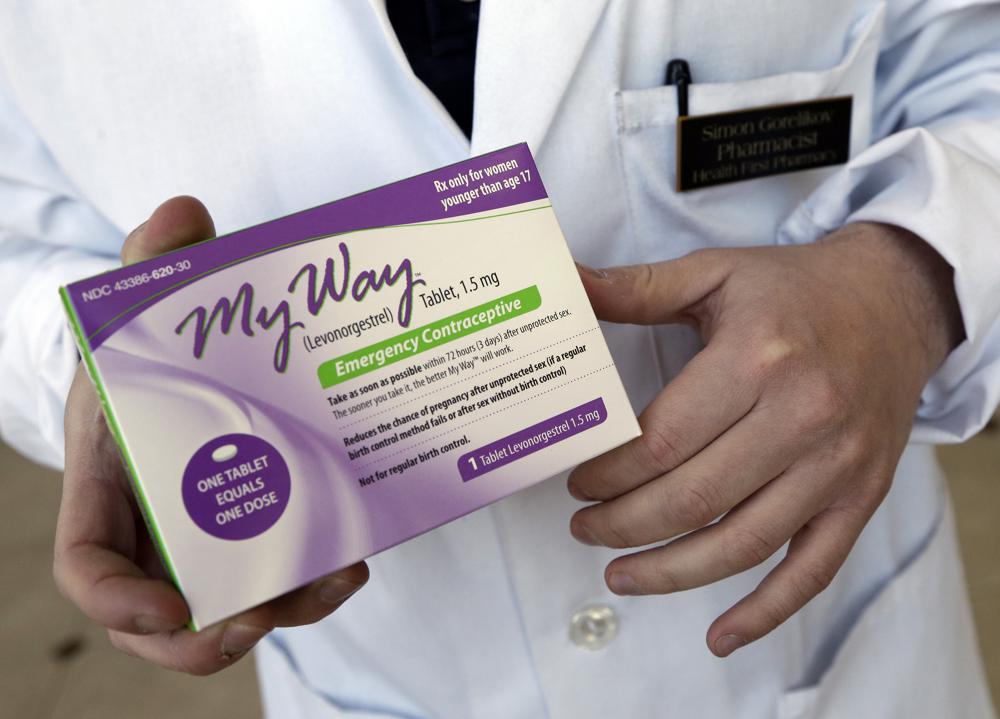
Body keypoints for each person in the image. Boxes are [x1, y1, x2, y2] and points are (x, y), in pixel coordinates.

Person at [1, 1, 998, 716]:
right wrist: (92, 378)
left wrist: (913, 280)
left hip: (825, 654)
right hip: (389, 661)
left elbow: (974, 59)